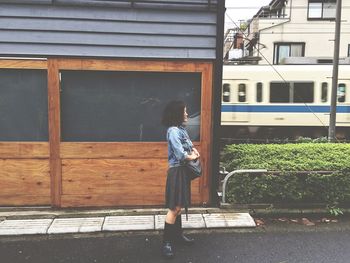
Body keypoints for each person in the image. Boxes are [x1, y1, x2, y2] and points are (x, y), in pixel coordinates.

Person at [160, 100, 200, 259]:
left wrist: (193, 151)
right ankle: (166, 243)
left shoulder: (181, 130)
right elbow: (180, 154)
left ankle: (177, 236)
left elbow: (188, 147)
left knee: (180, 205)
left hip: (181, 172)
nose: (187, 114)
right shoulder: (173, 131)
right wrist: (192, 156)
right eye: (184, 111)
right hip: (177, 171)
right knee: (174, 207)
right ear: (177, 113)